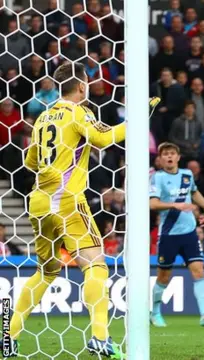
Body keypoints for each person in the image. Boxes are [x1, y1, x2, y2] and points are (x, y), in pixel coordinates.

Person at [9, 62, 129, 358]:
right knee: (95, 265)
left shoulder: (42, 117)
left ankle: (8, 336)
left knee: (46, 271)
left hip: (39, 200)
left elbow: (30, 162)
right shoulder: (80, 112)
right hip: (67, 200)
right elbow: (102, 138)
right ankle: (100, 336)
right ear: (82, 86)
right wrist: (136, 121)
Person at [149, 142, 204, 328]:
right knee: (164, 277)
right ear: (160, 158)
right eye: (165, 154)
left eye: (172, 153)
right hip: (168, 234)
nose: (169, 157)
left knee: (198, 270)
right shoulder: (157, 178)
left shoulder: (187, 175)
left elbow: (195, 193)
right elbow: (153, 204)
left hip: (189, 233)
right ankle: (155, 312)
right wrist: (175, 205)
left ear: (178, 157)